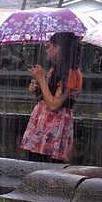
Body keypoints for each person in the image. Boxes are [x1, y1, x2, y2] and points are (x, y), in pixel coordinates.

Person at [19, 31, 79, 162]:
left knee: (46, 166)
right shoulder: (55, 70)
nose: (47, 50)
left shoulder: (71, 73)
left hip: (54, 131)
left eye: (49, 46)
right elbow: (47, 97)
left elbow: (54, 105)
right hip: (42, 129)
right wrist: (37, 89)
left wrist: (41, 79)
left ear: (58, 48)